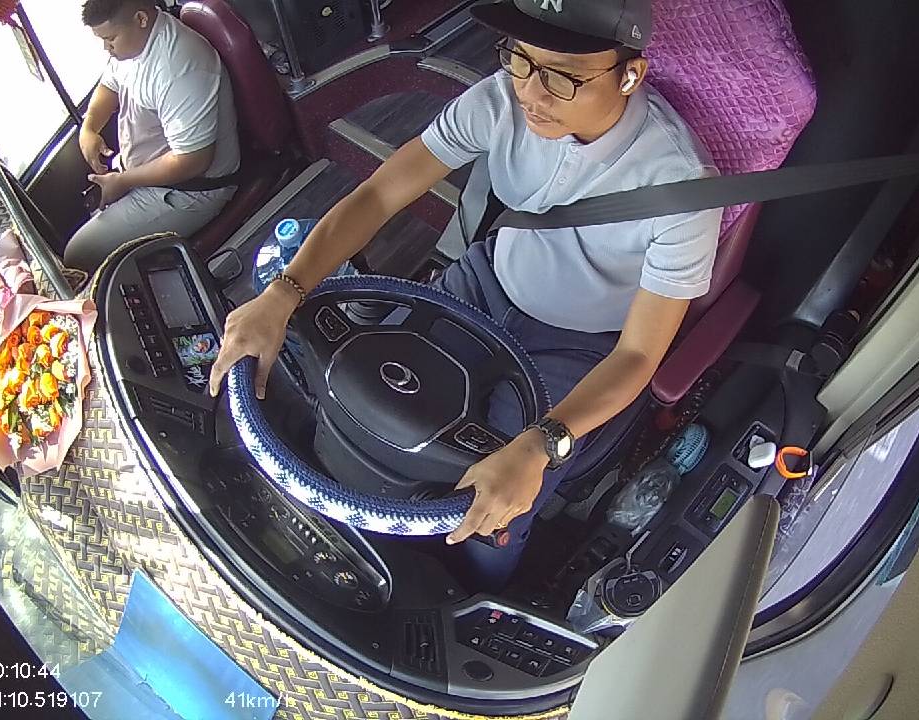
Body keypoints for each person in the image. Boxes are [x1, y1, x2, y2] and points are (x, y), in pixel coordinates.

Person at [209, 0, 721, 592]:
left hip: (582, 345)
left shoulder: (681, 189)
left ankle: (470, 596)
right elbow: (380, 194)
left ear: (629, 75)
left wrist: (540, 446)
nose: (532, 93)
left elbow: (638, 355)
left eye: (562, 76)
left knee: (494, 502)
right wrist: (284, 292)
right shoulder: (501, 99)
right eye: (521, 60)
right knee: (371, 394)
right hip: (484, 280)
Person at [64, 0, 240, 273]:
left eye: (110, 39)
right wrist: (89, 129)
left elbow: (193, 160)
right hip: (145, 172)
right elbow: (109, 85)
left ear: (141, 19)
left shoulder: (179, 67)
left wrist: (123, 181)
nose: (106, 48)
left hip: (192, 190)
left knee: (78, 254)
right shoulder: (133, 46)